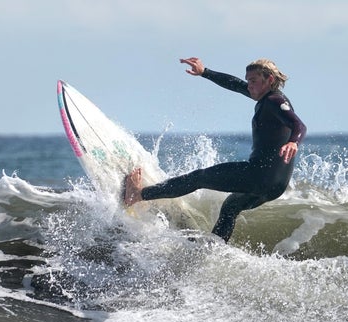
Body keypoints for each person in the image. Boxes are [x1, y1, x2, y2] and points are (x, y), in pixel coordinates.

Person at [124, 57, 307, 242]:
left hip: (259, 175)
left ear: (269, 80)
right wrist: (205, 72)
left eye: (253, 81)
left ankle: (138, 194)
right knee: (230, 207)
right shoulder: (265, 97)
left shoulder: (275, 101)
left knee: (199, 178)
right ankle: (214, 250)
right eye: (248, 80)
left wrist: (293, 142)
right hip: (276, 186)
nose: (249, 85)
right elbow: (235, 85)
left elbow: (299, 125)